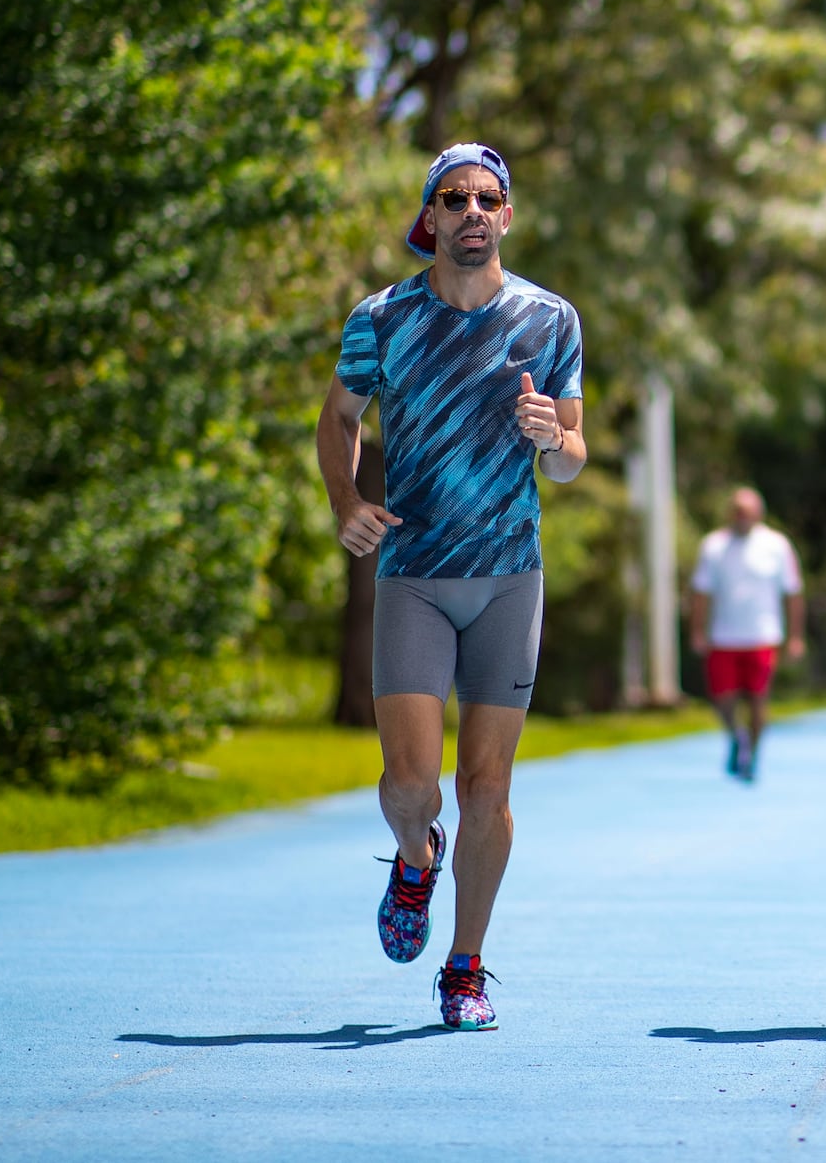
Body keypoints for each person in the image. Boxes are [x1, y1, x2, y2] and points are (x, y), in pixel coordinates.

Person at [316, 144, 585, 1032]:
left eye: (488, 197)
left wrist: (553, 435)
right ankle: (413, 856)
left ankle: (465, 967)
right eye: (454, 197)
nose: (472, 210)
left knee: (487, 788)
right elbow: (341, 417)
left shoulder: (550, 320)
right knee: (409, 785)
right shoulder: (382, 316)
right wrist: (348, 497)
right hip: (417, 575)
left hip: (510, 574)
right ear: (428, 217)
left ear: (507, 215)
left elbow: (575, 460)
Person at [689, 486, 805, 783]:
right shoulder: (714, 546)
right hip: (724, 637)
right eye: (738, 511)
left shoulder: (777, 545)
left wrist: (795, 636)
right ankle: (735, 736)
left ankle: (752, 754)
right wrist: (697, 631)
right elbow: (700, 592)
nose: (742, 517)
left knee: (758, 699)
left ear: (758, 514)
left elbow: (792, 593)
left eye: (748, 512)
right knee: (722, 699)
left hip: (762, 636)